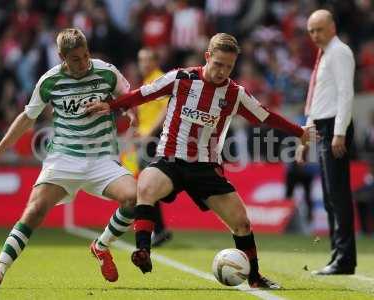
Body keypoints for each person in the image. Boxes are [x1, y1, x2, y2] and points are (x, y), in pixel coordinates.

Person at [87, 33, 316, 289]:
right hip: (170, 159)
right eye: (218, 64)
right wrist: (113, 105)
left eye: (228, 67)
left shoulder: (234, 93)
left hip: (205, 167)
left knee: (242, 222)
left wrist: (300, 131)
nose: (222, 71)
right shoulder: (181, 78)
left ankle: (254, 277)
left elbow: (266, 116)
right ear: (207, 57)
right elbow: (142, 94)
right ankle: (143, 251)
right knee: (146, 186)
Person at [0, 28, 137, 289]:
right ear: (62, 57)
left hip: (102, 159)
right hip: (64, 158)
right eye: (75, 59)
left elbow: (128, 99)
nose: (83, 62)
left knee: (134, 198)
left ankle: (101, 245)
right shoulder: (50, 81)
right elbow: (27, 117)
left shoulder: (106, 71)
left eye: (85, 55)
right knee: (34, 211)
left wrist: (129, 114)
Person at [296, 10, 356, 275]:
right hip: (323, 126)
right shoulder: (326, 55)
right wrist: (306, 136)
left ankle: (343, 258)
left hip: (334, 126)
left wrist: (340, 132)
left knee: (337, 194)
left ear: (332, 27)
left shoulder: (339, 52)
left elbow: (346, 93)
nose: (315, 35)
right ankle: (338, 256)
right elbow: (318, 98)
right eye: (311, 30)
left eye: (319, 29)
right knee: (331, 195)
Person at [136, 48, 172, 247]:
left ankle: (156, 229)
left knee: (147, 186)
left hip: (154, 139)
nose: (143, 64)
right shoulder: (147, 81)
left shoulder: (159, 80)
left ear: (156, 61)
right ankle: (159, 229)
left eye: (148, 59)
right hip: (145, 138)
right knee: (146, 186)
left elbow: (167, 109)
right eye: (141, 60)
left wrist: (150, 132)